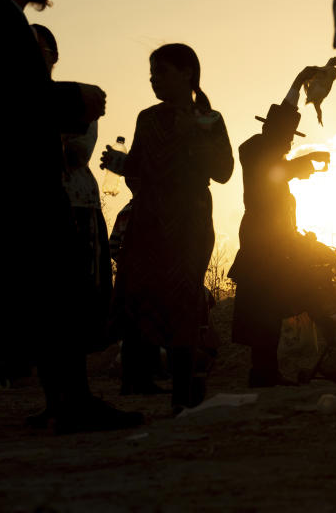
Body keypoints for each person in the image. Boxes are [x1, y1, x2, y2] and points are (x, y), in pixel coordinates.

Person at [0, 0, 140, 433]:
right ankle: (72, 402)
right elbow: (10, 103)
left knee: (48, 292)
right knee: (55, 290)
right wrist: (73, 99)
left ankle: (66, 400)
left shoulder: (0, 21)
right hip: (16, 186)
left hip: (15, 183)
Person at [101, 43, 233, 412]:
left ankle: (183, 388)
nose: (153, 79)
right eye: (152, 72)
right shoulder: (148, 118)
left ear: (186, 73)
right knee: (141, 293)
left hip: (189, 219)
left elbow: (223, 172)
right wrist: (118, 163)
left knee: (183, 295)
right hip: (149, 218)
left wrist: (194, 134)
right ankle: (142, 377)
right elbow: (141, 170)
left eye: (161, 71)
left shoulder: (210, 119)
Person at [229, 75, 336, 388]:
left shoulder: (273, 160)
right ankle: (263, 372)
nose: (290, 142)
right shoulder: (254, 151)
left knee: (271, 307)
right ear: (271, 132)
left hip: (277, 245)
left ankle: (266, 371)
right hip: (262, 245)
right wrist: (310, 158)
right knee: (264, 307)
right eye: (287, 135)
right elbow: (278, 169)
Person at [32, 23, 113, 354]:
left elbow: (76, 155)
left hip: (75, 203)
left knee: (78, 290)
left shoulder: (76, 100)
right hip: (30, 206)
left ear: (54, 58)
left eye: (38, 50)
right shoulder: (5, 101)